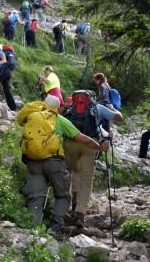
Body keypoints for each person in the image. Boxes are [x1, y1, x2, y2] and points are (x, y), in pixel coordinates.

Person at [18, 95, 109, 238]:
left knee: (36, 197)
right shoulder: (59, 119)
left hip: (33, 162)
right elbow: (82, 138)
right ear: (57, 108)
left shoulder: (32, 117)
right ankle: (55, 226)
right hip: (54, 163)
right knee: (63, 195)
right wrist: (99, 146)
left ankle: (33, 232)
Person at [64, 102, 123, 229]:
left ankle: (73, 194)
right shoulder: (97, 107)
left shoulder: (71, 108)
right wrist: (113, 108)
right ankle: (79, 214)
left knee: (73, 170)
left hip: (71, 142)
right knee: (86, 179)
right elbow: (119, 118)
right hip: (90, 144)